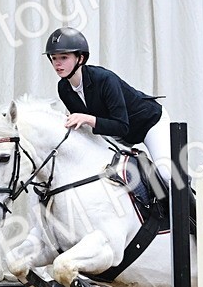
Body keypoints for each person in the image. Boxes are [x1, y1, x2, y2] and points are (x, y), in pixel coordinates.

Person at [45, 27, 171, 191]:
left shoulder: (104, 79)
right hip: (116, 135)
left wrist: (88, 119)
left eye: (63, 57)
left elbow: (122, 126)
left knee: (166, 174)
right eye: (54, 58)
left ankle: (193, 214)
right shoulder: (63, 88)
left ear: (81, 58)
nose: (57, 63)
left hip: (149, 123)